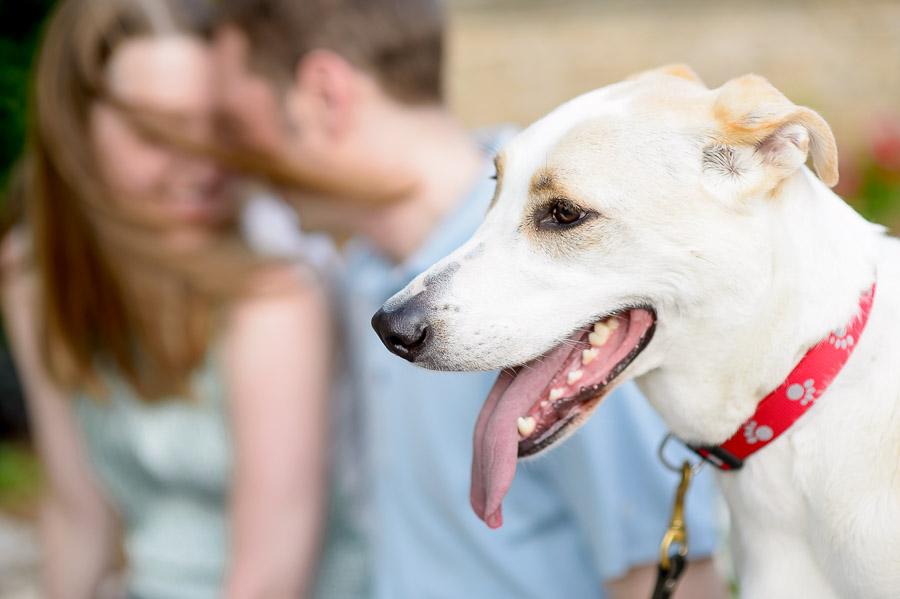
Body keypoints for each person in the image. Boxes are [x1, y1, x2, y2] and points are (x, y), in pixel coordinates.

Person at [214, 1, 729, 597]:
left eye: (231, 122)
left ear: (323, 95)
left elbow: (675, 578)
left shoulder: (582, 280)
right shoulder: (363, 274)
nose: (221, 158)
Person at [0, 0, 333, 597]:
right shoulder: (33, 279)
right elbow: (81, 519)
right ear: (75, 129)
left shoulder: (274, 300)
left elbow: (270, 577)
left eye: (221, 128)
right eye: (157, 130)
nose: (199, 166)